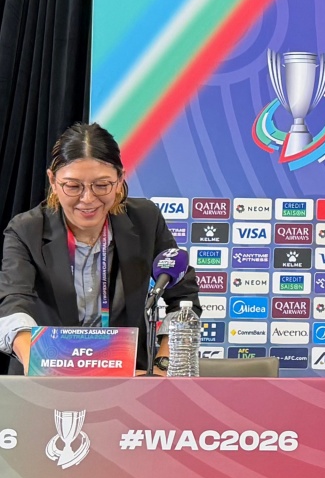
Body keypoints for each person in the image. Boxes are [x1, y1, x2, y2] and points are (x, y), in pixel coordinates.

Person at [0, 122, 200, 375]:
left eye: (102, 185)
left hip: (130, 378)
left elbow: (183, 297)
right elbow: (13, 304)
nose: (88, 198)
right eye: (73, 186)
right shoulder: (26, 229)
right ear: (53, 181)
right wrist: (43, 367)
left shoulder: (145, 220)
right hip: (46, 377)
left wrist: (162, 365)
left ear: (119, 179)